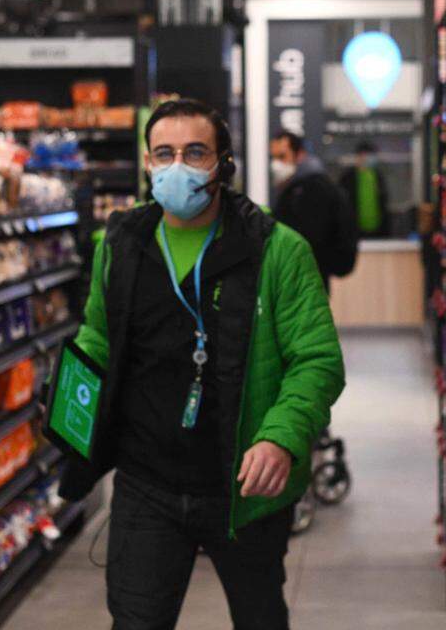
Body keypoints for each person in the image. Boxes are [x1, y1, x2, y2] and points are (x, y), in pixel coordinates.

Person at [59, 99, 345, 630]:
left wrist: (281, 436)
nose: (177, 166)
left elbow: (317, 360)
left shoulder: (278, 250)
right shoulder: (119, 246)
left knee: (260, 618)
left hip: (245, 487)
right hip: (146, 482)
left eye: (195, 153)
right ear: (147, 164)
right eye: (163, 154)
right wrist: (70, 398)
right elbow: (98, 334)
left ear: (223, 164)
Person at [269, 130, 359, 289]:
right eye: (273, 157)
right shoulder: (294, 187)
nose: (276, 164)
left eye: (282, 157)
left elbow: (310, 239)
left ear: (300, 155)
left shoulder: (312, 189)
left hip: (307, 281)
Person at [339, 141, 390, 238]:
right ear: (359, 156)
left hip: (378, 231)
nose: (371, 159)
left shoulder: (378, 176)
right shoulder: (347, 178)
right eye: (368, 155)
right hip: (354, 231)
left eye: (372, 155)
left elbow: (383, 202)